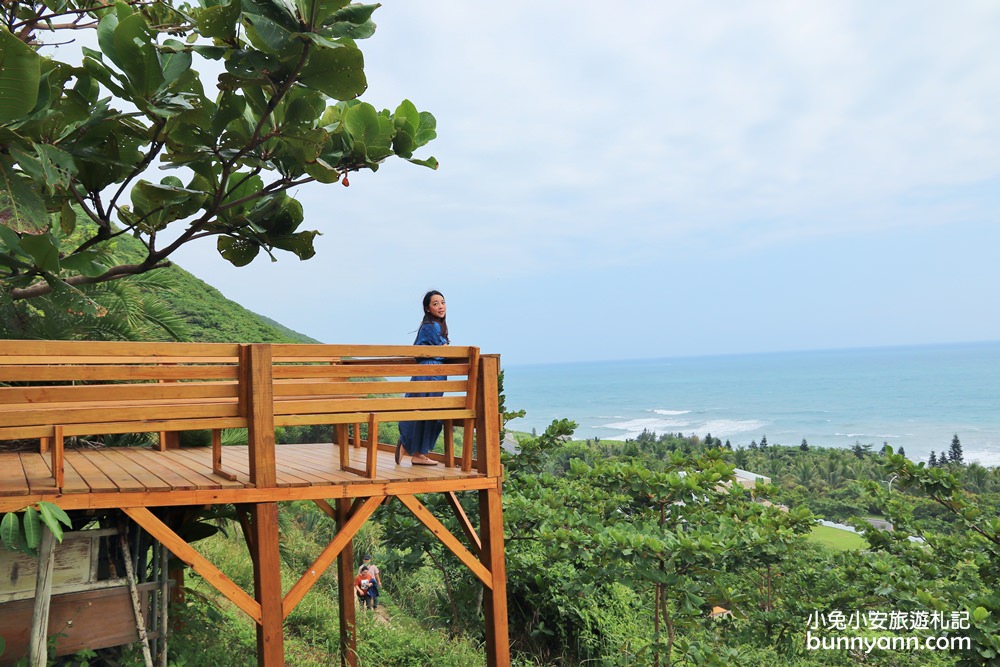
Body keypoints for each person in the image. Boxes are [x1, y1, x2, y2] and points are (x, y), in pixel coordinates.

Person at [396, 290, 449, 466]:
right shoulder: (431, 326)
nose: (440, 306)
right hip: (431, 374)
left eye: (442, 302)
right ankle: (407, 443)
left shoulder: (433, 326)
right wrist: (446, 347)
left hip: (429, 373)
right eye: (435, 304)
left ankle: (418, 454)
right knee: (428, 413)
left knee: (423, 412)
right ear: (427, 308)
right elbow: (441, 351)